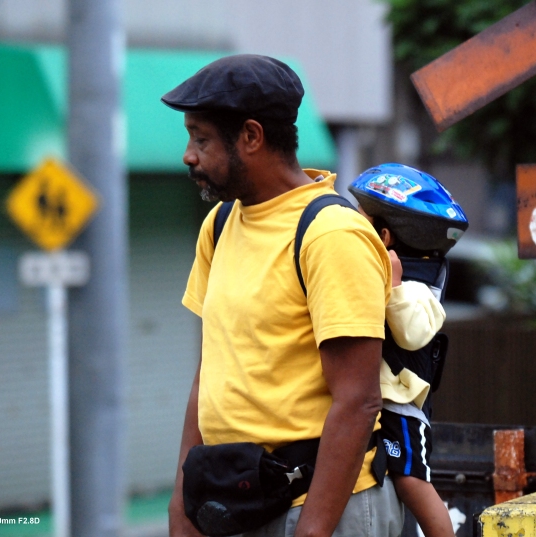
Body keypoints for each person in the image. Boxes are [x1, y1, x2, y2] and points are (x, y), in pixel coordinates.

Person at [161, 55, 404, 537]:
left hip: (320, 508)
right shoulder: (220, 224)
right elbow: (209, 374)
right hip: (239, 501)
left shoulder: (330, 234)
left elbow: (357, 400)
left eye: (201, 139)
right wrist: (182, 501)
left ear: (251, 137)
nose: (189, 155)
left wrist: (311, 530)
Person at [349, 163, 469, 537]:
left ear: (384, 236)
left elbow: (413, 334)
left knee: (411, 479)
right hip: (374, 401)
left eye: (361, 222)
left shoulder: (421, 286)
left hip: (401, 405)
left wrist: (395, 285)